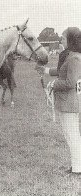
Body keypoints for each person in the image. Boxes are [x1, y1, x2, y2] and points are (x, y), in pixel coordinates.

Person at [36, 27, 81, 174]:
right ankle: (75, 166)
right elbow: (62, 71)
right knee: (70, 135)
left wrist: (54, 84)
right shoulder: (70, 56)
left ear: (71, 40)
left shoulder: (74, 58)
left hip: (69, 103)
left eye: (63, 38)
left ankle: (77, 169)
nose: (60, 41)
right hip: (64, 102)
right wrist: (45, 71)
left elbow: (70, 82)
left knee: (73, 136)